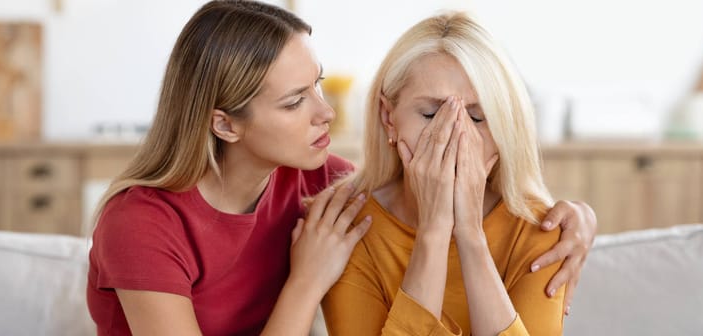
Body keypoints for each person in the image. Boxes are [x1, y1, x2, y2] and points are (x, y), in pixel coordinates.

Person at [86, 1, 595, 335]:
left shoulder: (327, 187)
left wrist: (578, 217)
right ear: (224, 124)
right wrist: (305, 282)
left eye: (318, 85)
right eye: (293, 102)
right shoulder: (143, 223)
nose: (325, 111)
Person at [322, 11, 587, 335]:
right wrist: (433, 231)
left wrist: (470, 236)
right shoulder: (347, 230)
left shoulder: (539, 230)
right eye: (431, 113)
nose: (454, 135)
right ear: (388, 117)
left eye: (477, 118)